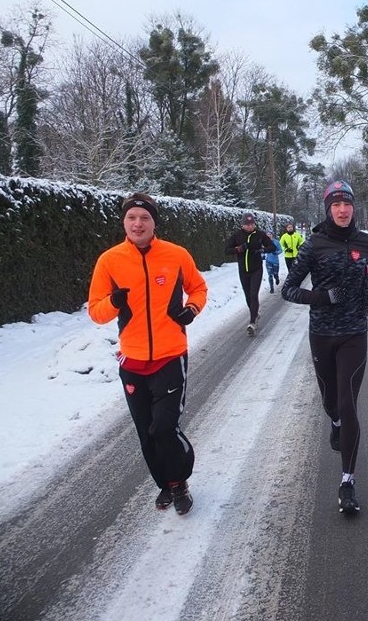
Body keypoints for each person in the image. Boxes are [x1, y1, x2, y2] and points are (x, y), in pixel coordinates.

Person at [88, 193, 208, 516]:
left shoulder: (176, 255)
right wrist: (113, 303)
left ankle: (180, 479)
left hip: (170, 356)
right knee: (146, 432)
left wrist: (192, 309)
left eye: (144, 218)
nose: (137, 223)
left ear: (154, 222)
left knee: (164, 427)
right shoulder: (109, 261)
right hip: (133, 361)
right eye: (131, 218)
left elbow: (199, 288)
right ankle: (165, 483)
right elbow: (95, 311)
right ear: (124, 223)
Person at [281, 180, 368, 514]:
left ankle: (347, 481)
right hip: (322, 333)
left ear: (354, 207)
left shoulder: (367, 243)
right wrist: (321, 297)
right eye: (336, 205)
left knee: (348, 403)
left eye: (347, 204)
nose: (342, 210)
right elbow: (289, 289)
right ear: (328, 208)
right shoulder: (314, 244)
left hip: (354, 332)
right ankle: (335, 424)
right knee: (331, 404)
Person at [224, 212, 277, 335]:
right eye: (247, 224)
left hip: (256, 269)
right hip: (243, 270)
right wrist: (239, 249)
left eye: (252, 224)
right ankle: (255, 314)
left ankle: (252, 322)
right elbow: (226, 250)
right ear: (242, 225)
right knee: (248, 296)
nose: (250, 226)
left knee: (253, 294)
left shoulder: (260, 234)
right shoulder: (237, 235)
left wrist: (262, 249)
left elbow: (272, 247)